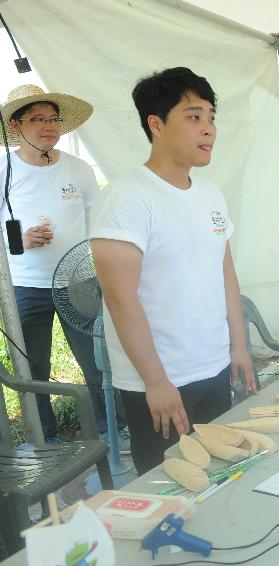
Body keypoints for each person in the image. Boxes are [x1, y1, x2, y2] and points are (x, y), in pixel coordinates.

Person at [90, 67, 256, 474]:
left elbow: (226, 276)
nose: (209, 130)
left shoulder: (211, 195)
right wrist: (156, 382)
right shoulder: (126, 196)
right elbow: (119, 297)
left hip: (214, 365)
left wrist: (238, 346)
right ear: (156, 124)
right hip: (162, 381)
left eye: (212, 118)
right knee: (166, 490)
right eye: (194, 116)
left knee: (219, 475)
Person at [0, 84, 130, 452]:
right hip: (24, 285)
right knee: (33, 367)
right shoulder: (4, 168)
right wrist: (22, 240)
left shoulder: (78, 168)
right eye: (38, 119)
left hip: (79, 281)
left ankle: (111, 430)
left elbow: (97, 222)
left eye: (53, 119)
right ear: (16, 124)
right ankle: (46, 438)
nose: (49, 127)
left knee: (96, 360)